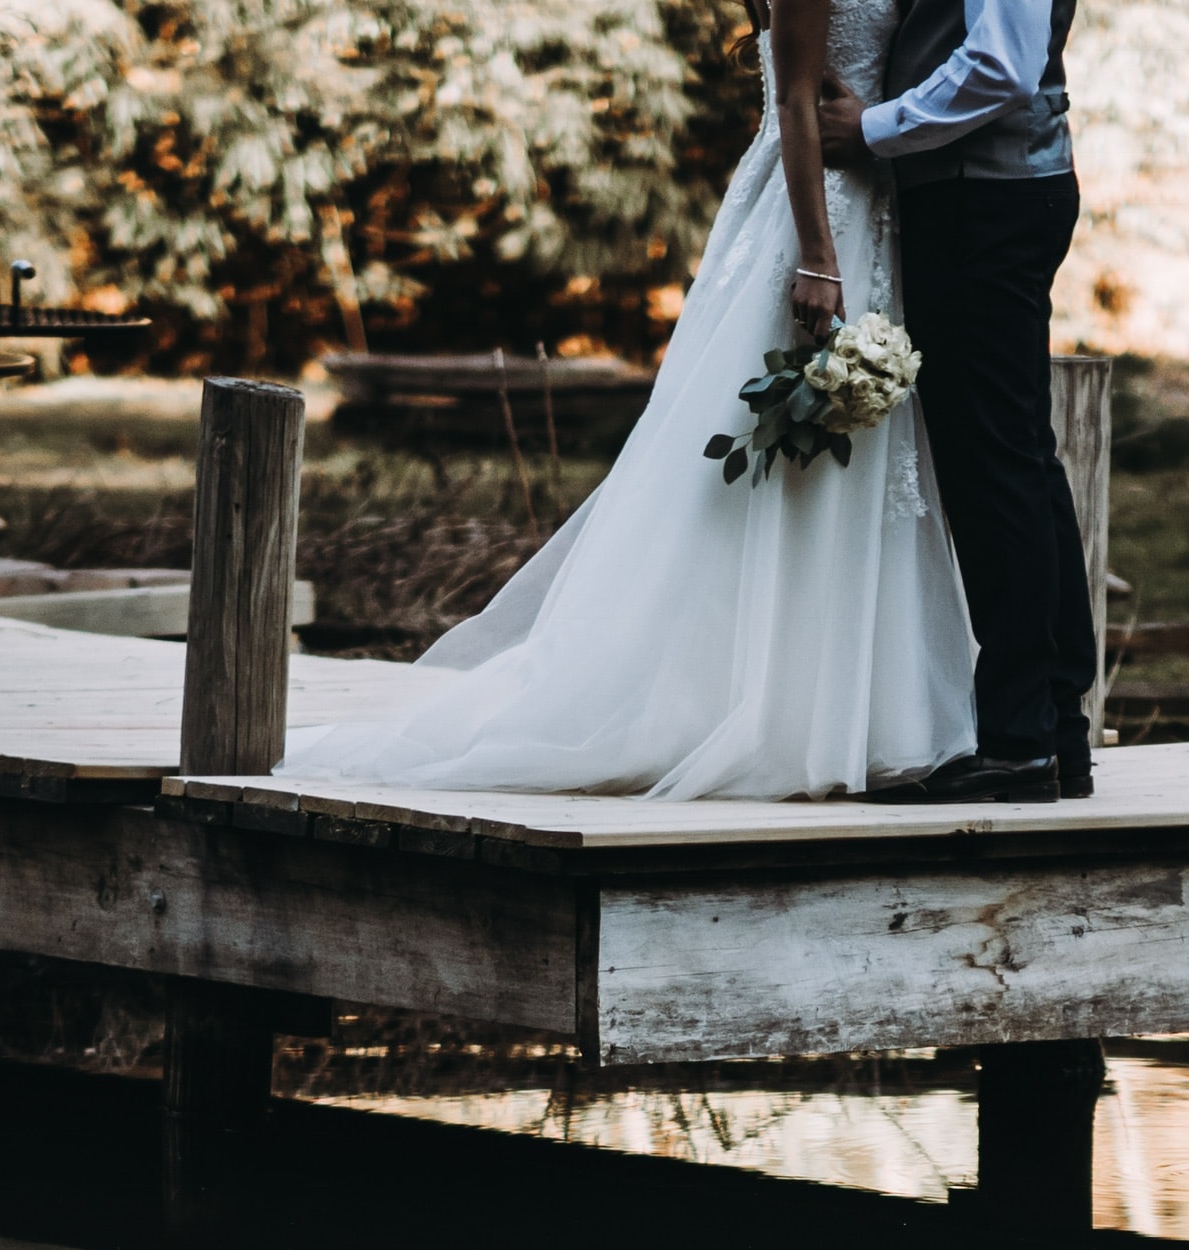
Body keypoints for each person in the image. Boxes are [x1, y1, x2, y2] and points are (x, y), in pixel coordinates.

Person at [273, 0, 977, 799]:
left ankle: (851, 710)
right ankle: (742, 706)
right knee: (768, 454)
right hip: (817, 214)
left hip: (871, 204)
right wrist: (817, 255)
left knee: (853, 467)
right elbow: (793, 99)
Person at [814, 0, 1095, 802]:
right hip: (992, 192)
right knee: (1015, 458)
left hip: (985, 197)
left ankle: (1018, 742)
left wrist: (873, 128)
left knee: (992, 467)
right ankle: (1051, 729)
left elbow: (1002, 66)